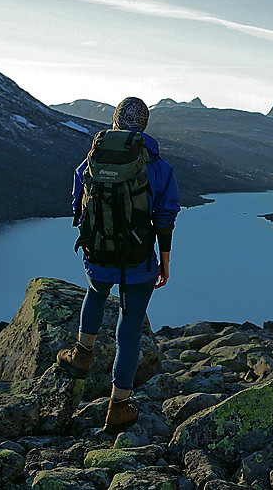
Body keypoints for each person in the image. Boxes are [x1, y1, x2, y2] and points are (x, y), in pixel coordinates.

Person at [57, 96, 180, 433]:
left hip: (97, 256)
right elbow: (165, 217)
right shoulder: (159, 166)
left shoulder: (91, 160)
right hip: (138, 262)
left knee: (95, 294)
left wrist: (96, 237)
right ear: (143, 126)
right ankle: (119, 407)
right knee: (129, 329)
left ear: (114, 122)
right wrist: (164, 261)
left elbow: (76, 204)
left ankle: (81, 355)